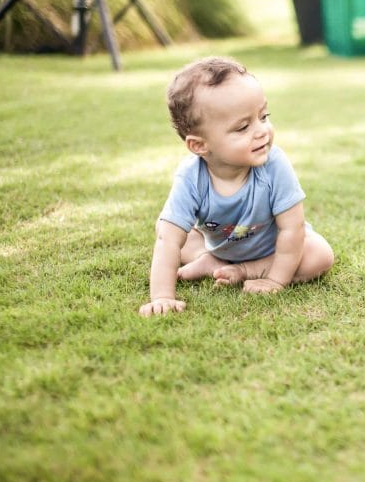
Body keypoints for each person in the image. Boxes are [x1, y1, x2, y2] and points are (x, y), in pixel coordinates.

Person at [139, 57, 334, 317]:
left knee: (319, 254)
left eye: (264, 116)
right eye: (243, 127)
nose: (262, 130)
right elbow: (168, 239)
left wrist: (275, 280)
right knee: (169, 232)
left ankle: (240, 269)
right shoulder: (191, 176)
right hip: (221, 244)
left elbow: (292, 228)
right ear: (199, 146)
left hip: (272, 250)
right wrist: (162, 297)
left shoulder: (274, 164)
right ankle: (210, 260)